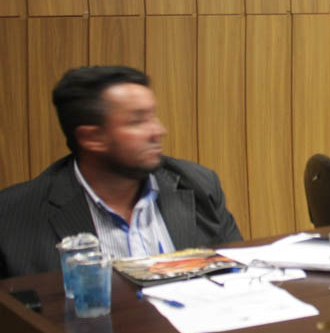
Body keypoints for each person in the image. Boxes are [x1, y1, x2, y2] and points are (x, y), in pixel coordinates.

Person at [0, 66, 242, 279]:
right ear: (91, 138)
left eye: (153, 116)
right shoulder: (13, 216)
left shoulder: (198, 185)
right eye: (137, 121)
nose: (158, 130)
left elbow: (241, 276)